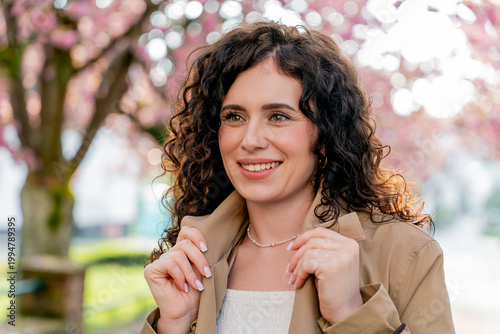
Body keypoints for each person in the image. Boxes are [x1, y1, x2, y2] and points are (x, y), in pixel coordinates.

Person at [142, 21, 455, 334]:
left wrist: (351, 314)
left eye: (278, 116)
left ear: (325, 134)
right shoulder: (194, 258)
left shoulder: (407, 254)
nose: (250, 140)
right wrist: (174, 325)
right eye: (234, 116)